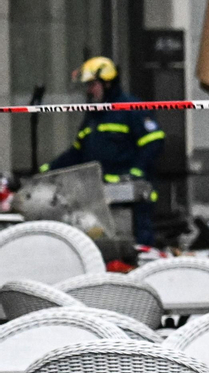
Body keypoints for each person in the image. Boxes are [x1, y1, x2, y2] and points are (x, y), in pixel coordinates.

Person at [41, 56, 164, 244]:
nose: (89, 91)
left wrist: (136, 171)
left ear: (107, 83)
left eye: (93, 85)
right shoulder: (94, 115)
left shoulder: (131, 108)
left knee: (136, 244)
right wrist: (48, 169)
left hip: (131, 199)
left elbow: (154, 142)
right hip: (99, 196)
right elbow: (77, 153)